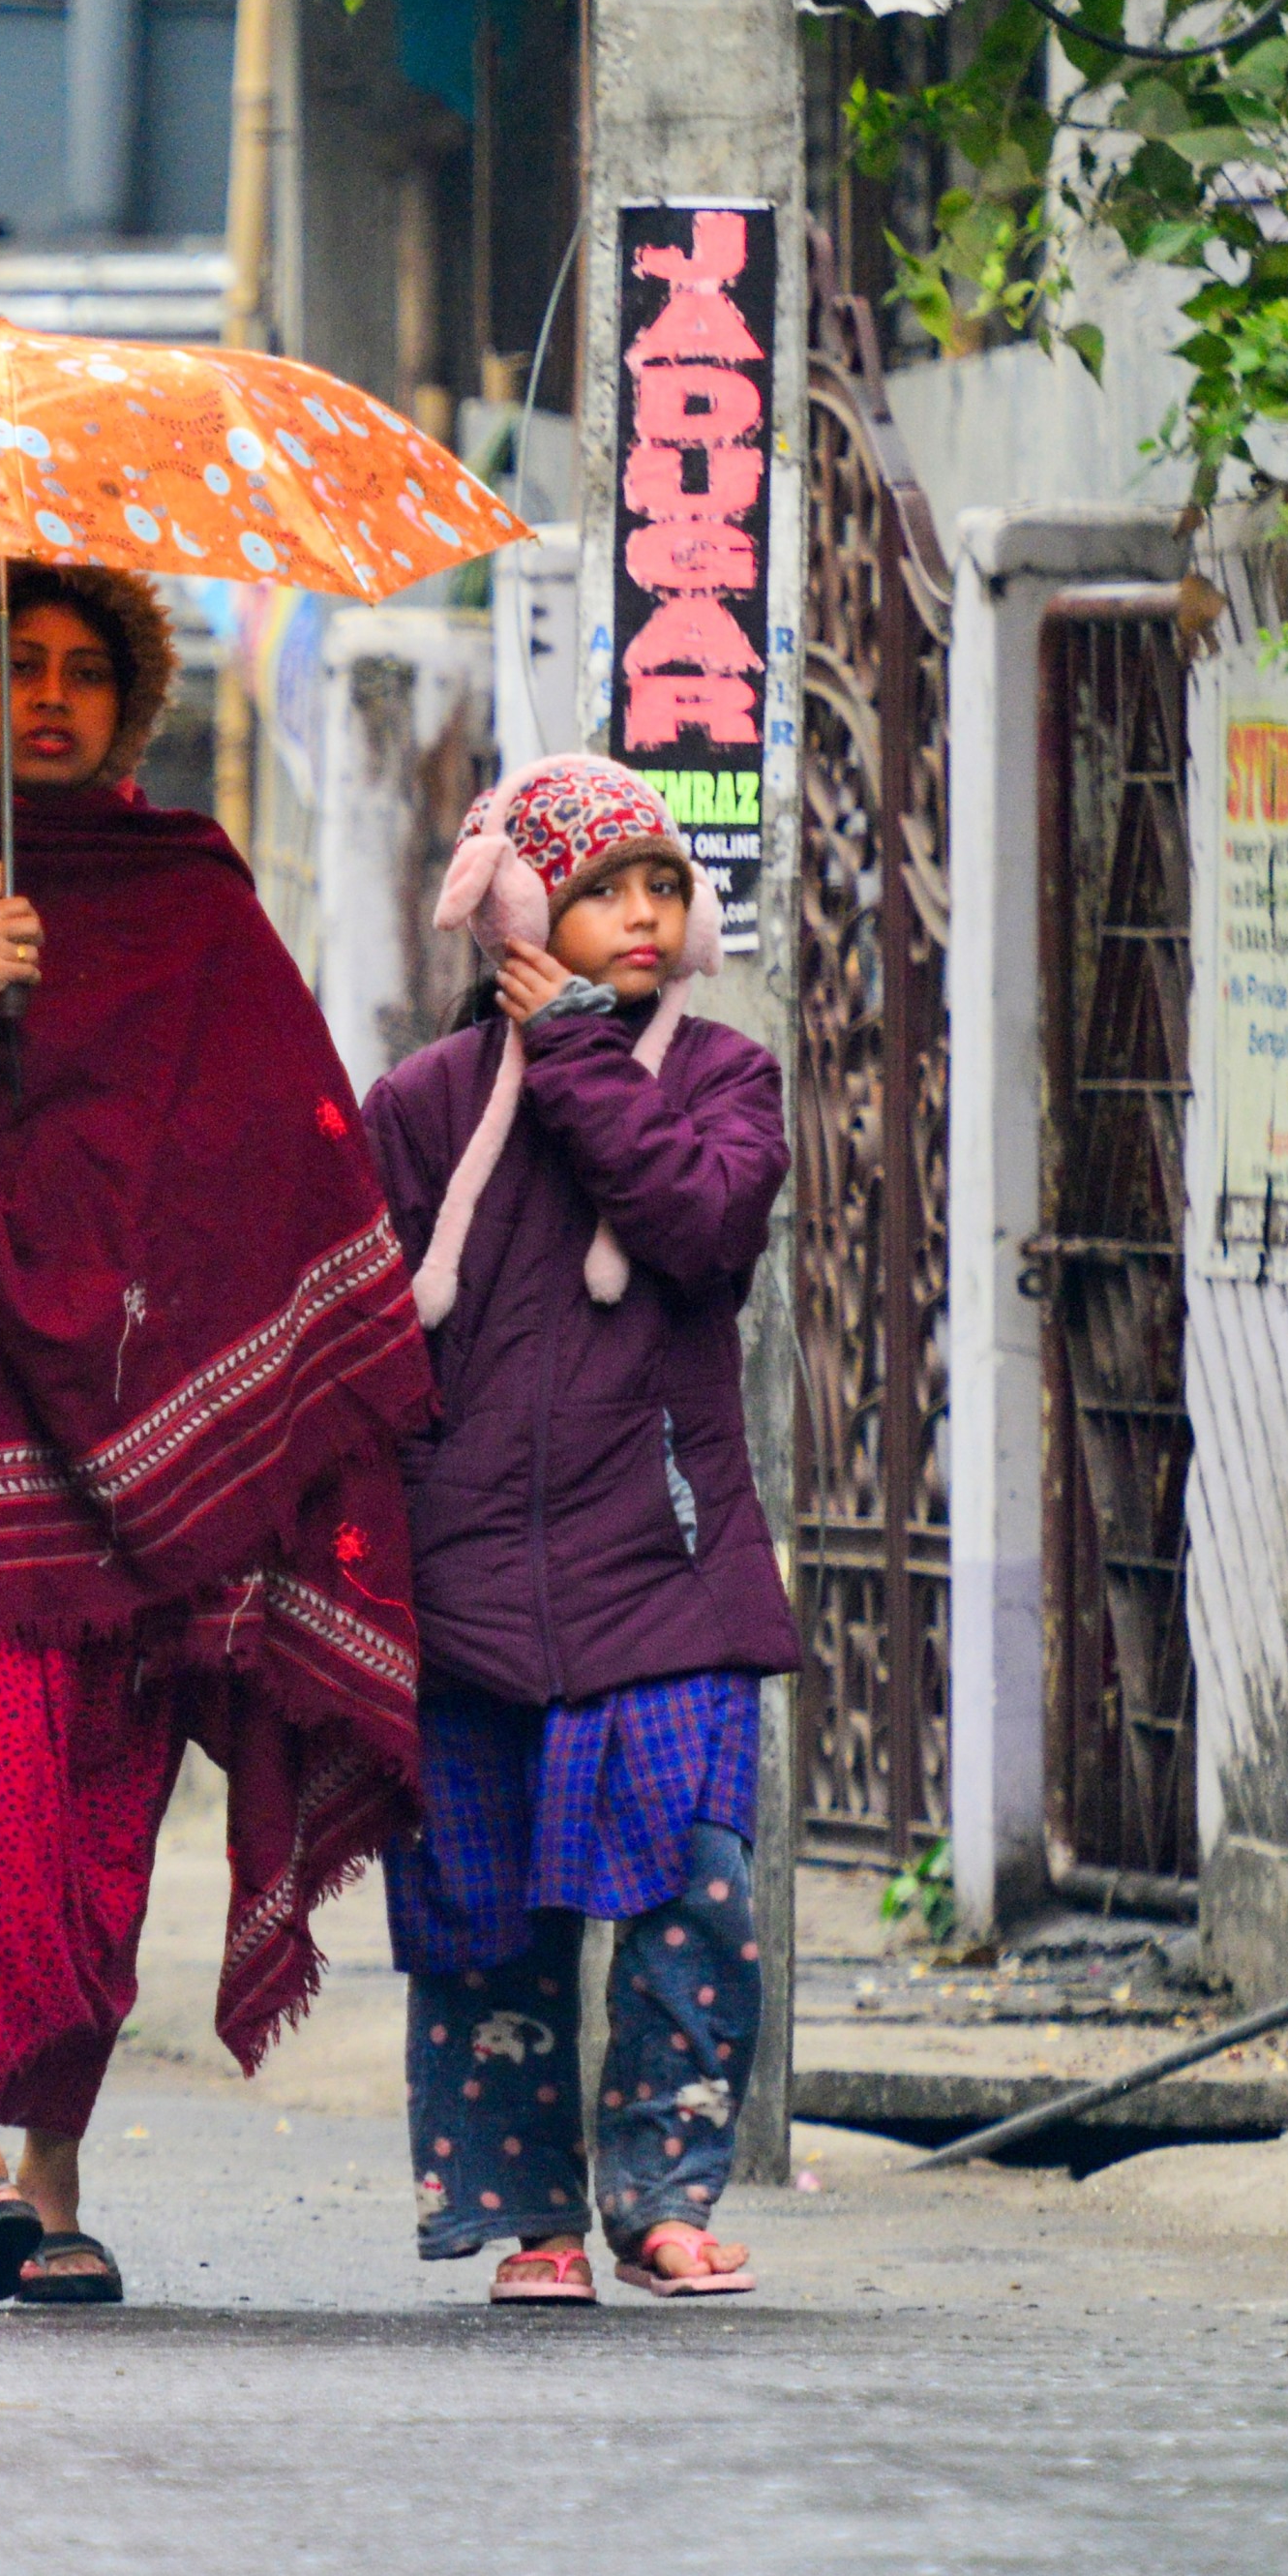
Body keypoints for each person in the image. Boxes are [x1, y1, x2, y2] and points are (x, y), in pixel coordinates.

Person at [0, 559, 438, 2311]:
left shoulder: (184, 899)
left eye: (79, 674)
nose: (44, 700)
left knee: (92, 1818)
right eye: (12, 666)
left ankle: (51, 2182)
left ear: (129, 711)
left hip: (136, 1466)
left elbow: (272, 1153)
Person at [361, 752, 803, 2305]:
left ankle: (666, 2197)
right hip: (465, 1581)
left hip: (665, 1568)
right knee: (486, 1922)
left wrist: (576, 1055)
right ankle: (535, 2222)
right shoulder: (416, 1110)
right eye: (600, 887)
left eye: (660, 886)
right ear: (518, 908)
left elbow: (695, 1223)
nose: (637, 915)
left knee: (693, 1885)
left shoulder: (723, 1081)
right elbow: (362, 1339)